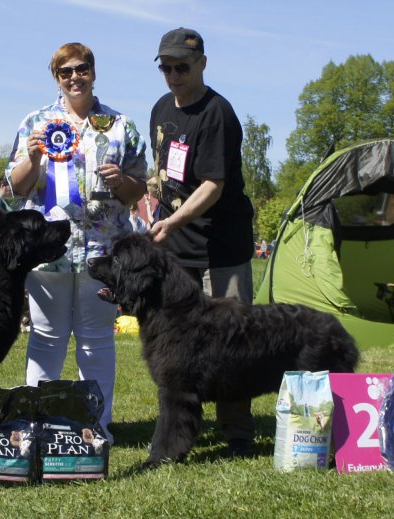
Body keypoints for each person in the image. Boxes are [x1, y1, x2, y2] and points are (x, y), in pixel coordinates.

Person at [6, 42, 148, 440]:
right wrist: (34, 158)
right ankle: (35, 424)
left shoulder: (121, 125)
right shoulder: (35, 122)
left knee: (97, 340)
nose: (74, 77)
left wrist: (122, 181)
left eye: (81, 69)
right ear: (56, 77)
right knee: (45, 337)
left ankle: (96, 427)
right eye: (65, 71)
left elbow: (139, 189)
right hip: (48, 251)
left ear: (93, 72)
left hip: (103, 253)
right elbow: (16, 188)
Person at [148, 28, 256, 457]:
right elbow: (164, 172)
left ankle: (237, 432)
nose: (174, 76)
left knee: (232, 341)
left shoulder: (218, 113)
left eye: (182, 67)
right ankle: (177, 433)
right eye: (166, 68)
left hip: (221, 246)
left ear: (202, 64)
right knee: (176, 345)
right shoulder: (160, 109)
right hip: (177, 247)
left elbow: (213, 184)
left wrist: (172, 220)